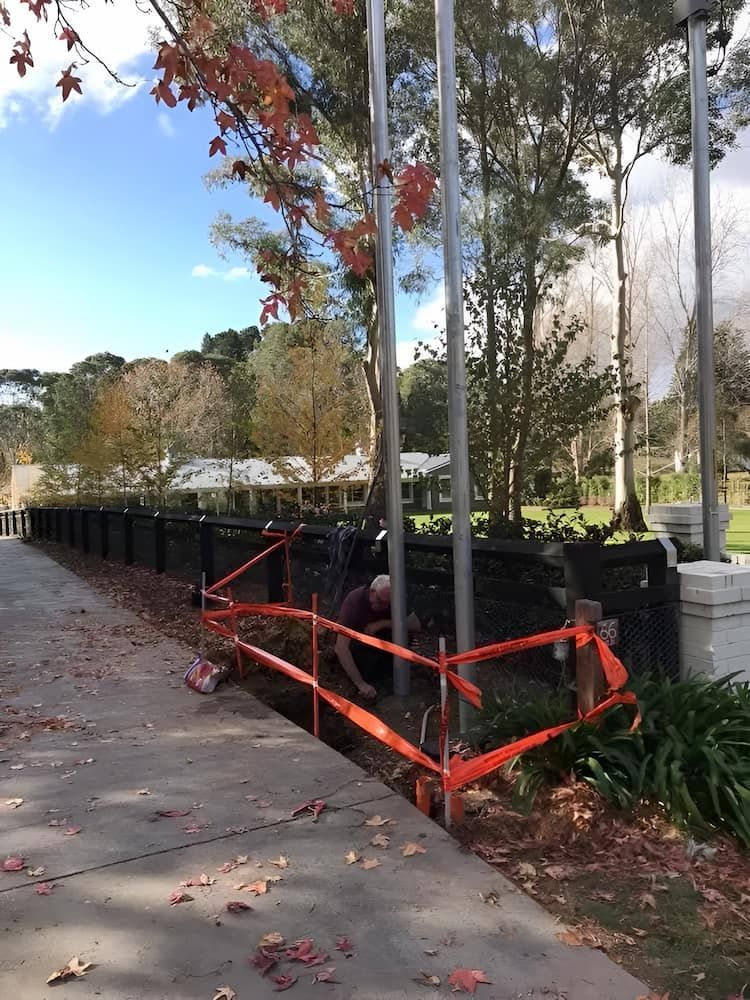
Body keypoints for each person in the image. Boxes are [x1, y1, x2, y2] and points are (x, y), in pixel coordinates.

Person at [334, 574, 421, 698]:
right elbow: (341, 647)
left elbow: (415, 625)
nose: (384, 606)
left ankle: (391, 677)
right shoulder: (355, 600)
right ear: (372, 591)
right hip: (362, 648)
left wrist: (384, 623)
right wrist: (360, 684)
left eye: (388, 603)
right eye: (380, 601)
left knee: (404, 634)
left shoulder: (394, 600)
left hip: (386, 646)